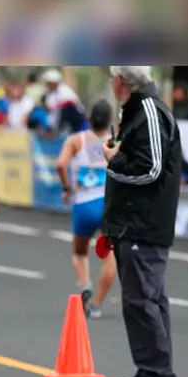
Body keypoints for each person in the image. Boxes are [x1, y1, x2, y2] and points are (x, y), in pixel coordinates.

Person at [101, 66, 183, 377]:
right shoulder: (139, 111)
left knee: (142, 299)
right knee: (148, 298)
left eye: (112, 78)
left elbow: (150, 169)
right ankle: (154, 370)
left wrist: (113, 160)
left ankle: (156, 373)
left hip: (143, 223)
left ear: (121, 81)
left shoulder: (148, 112)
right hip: (135, 222)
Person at [55, 100, 118, 319]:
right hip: (109, 204)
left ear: (89, 119)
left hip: (83, 204)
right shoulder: (115, 141)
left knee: (80, 252)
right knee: (111, 256)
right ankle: (97, 304)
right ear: (110, 120)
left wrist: (67, 188)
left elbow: (60, 164)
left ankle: (84, 285)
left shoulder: (76, 140)